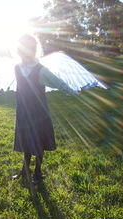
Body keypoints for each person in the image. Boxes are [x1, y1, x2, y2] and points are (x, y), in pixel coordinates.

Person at [12, 34, 78, 185]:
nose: (27, 51)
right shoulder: (17, 68)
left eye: (30, 48)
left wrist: (72, 90)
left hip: (39, 113)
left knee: (39, 141)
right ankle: (25, 170)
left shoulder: (41, 70)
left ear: (34, 50)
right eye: (23, 48)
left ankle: (37, 172)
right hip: (23, 112)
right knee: (27, 142)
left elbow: (58, 82)